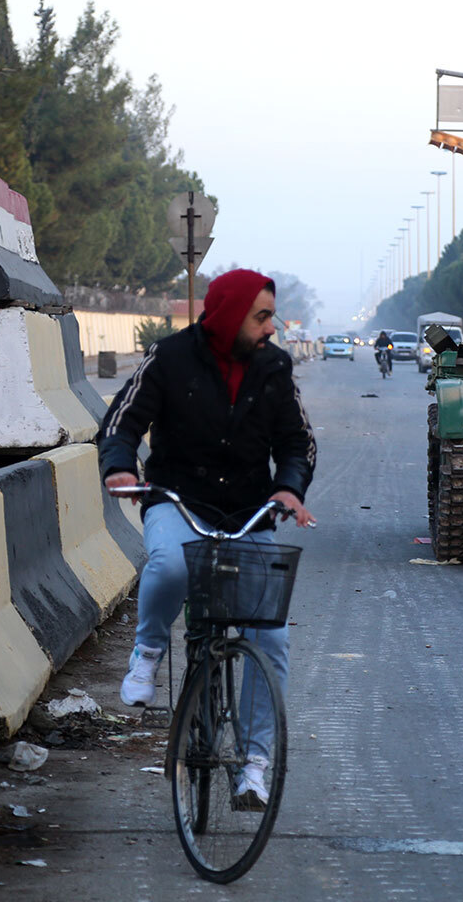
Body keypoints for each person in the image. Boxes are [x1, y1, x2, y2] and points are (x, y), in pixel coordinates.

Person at [97, 268, 315, 809]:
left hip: (249, 512)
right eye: (261, 317)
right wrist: (121, 466)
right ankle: (148, 650)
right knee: (170, 566)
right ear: (229, 314)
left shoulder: (275, 367)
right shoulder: (168, 356)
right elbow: (120, 423)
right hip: (178, 501)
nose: (270, 328)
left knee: (273, 639)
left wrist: (288, 488)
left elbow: (298, 443)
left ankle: (255, 766)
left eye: (271, 317)